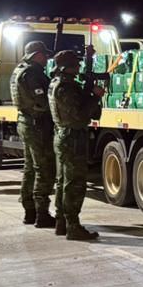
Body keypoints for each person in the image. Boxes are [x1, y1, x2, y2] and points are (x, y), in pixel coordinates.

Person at [48, 49, 104, 240]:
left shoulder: (58, 83)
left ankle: (62, 222)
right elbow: (80, 114)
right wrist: (95, 96)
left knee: (63, 181)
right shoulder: (65, 87)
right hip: (72, 137)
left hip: (65, 135)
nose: (78, 66)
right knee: (74, 183)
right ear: (67, 67)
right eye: (76, 64)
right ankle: (73, 226)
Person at [10, 41, 57, 226]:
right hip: (37, 125)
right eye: (44, 55)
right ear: (36, 55)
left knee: (30, 169)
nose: (46, 58)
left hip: (26, 122)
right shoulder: (33, 73)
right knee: (43, 169)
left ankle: (29, 211)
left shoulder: (19, 70)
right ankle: (41, 213)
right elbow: (43, 101)